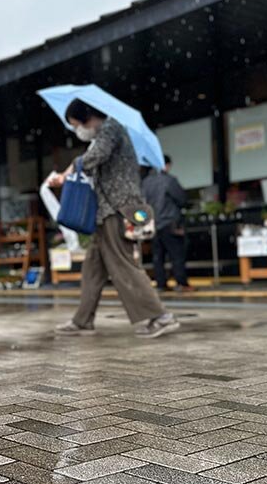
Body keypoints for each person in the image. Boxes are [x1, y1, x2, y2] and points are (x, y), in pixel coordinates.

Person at [49, 100, 179, 338]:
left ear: (88, 118)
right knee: (93, 269)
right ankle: (82, 321)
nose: (78, 131)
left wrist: (68, 172)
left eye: (77, 125)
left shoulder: (111, 128)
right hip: (104, 212)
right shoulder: (102, 136)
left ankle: (161, 316)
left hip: (118, 210)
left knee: (123, 265)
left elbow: (95, 157)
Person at [142, 155, 194, 292]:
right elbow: (182, 199)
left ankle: (161, 283)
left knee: (158, 256)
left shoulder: (146, 183)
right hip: (170, 222)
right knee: (177, 254)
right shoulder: (169, 181)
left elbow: (143, 203)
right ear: (166, 165)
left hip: (154, 224)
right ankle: (181, 283)